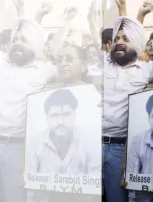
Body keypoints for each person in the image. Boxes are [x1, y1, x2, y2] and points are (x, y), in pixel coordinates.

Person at [102, 15, 153, 202]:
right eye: (117, 39)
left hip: (122, 149)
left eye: (126, 39)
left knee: (116, 198)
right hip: (91, 146)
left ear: (138, 45)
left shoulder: (149, 70)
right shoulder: (99, 64)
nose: (119, 42)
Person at [0, 18, 56, 202]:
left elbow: (75, 71)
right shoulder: (2, 63)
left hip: (17, 148)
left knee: (13, 197)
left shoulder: (45, 70)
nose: (17, 43)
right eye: (15, 39)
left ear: (35, 45)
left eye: (24, 40)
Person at [27, 89, 101, 202]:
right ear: (47, 118)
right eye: (55, 115)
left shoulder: (90, 142)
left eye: (66, 114)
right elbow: (30, 186)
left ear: (74, 115)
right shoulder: (35, 143)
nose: (60, 121)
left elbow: (97, 181)